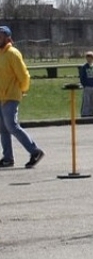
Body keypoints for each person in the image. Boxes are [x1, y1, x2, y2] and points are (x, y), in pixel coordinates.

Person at [0, 26, 45, 168]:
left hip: (11, 95)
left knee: (11, 126)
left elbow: (23, 75)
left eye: (0, 35)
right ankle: (7, 158)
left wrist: (23, 89)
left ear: (7, 38)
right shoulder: (0, 54)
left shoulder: (13, 53)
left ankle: (34, 151)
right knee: (3, 128)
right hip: (1, 97)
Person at [79, 51, 93, 117]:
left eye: (91, 58)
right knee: (86, 100)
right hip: (87, 86)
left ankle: (91, 113)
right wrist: (84, 84)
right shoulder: (84, 67)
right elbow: (82, 77)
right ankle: (85, 113)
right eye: (88, 58)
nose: (89, 59)